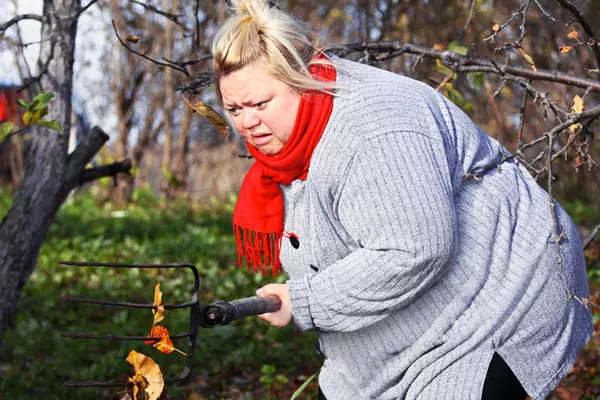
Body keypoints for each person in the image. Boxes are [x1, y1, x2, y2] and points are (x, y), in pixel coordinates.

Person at [210, 0, 593, 398]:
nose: (247, 123)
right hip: (418, 322)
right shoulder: (293, 142)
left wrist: (306, 299)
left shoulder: (376, 128)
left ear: (298, 78)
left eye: (259, 104)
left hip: (505, 296)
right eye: (234, 108)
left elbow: (416, 249)